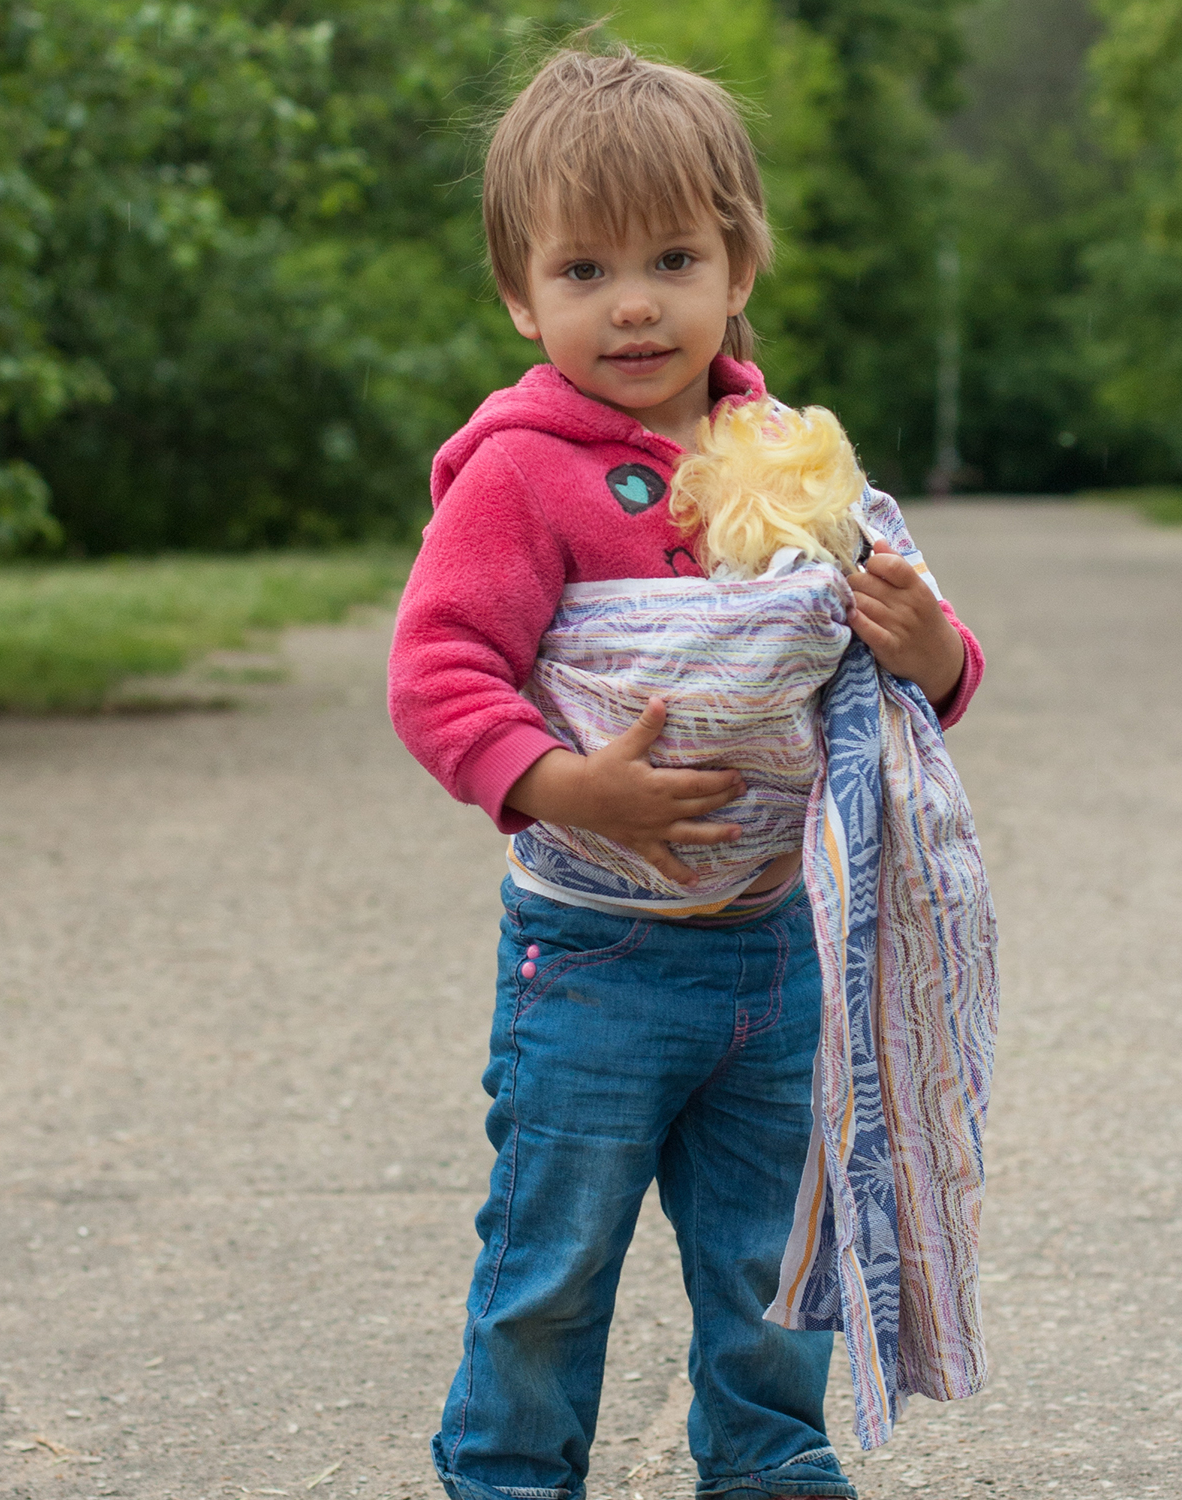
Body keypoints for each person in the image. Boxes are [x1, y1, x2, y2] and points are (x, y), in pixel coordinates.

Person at [388, 43, 987, 1500]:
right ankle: (512, 1475)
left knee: (773, 1262)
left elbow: (918, 683)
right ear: (522, 298)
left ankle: (773, 1464)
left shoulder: (783, 458)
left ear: (741, 266)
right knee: (551, 1258)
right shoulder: (523, 475)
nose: (635, 301)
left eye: (673, 257)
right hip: (594, 957)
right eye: (584, 271)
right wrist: (562, 785)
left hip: (780, 951)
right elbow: (439, 670)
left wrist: (920, 642)